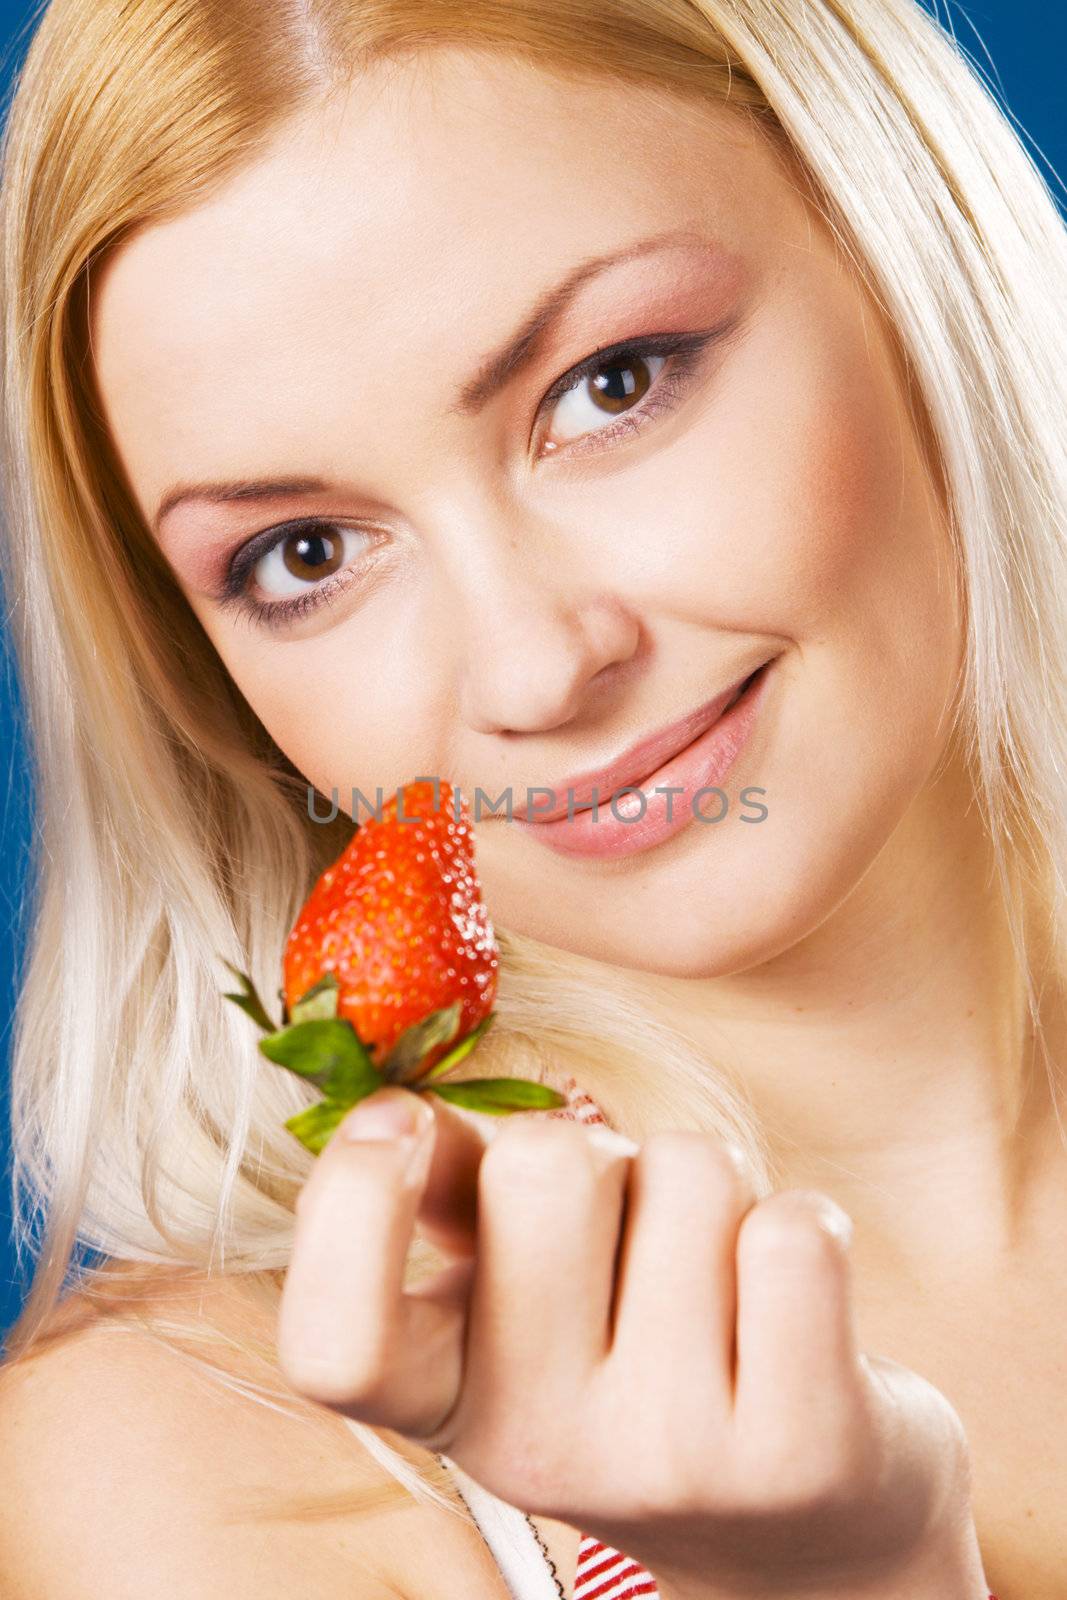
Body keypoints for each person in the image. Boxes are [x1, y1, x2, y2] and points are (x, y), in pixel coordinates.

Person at [0, 0, 1064, 1593]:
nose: (532, 670)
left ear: (906, 242)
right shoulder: (188, 1479)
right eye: (304, 555)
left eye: (613, 384)